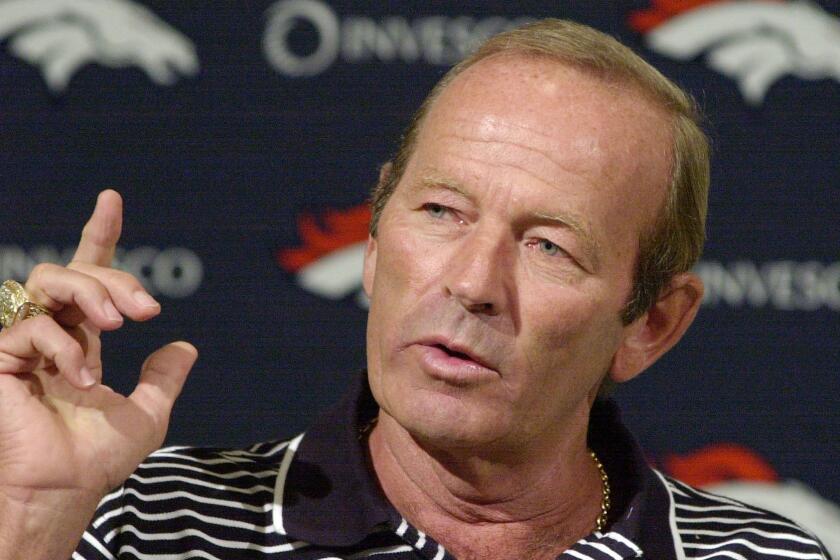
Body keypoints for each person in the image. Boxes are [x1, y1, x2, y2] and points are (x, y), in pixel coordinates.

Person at [0, 19, 830, 560]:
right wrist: (30, 521)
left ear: (651, 323)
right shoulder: (139, 526)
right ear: (372, 236)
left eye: (548, 246)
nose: (471, 283)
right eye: (439, 210)